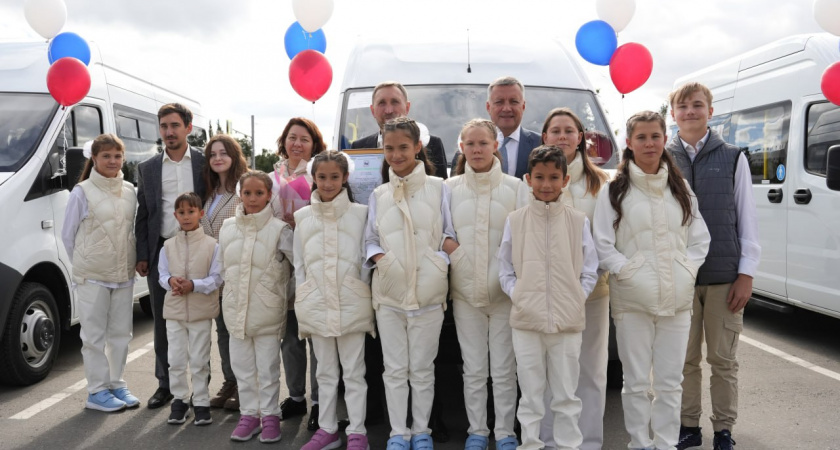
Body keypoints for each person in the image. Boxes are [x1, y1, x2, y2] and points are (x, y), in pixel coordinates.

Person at [593, 111, 711, 450]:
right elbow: (602, 243)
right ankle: (639, 443)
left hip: (676, 299)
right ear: (628, 143)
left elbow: (699, 238)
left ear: (664, 139)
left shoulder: (679, 187)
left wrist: (686, 269)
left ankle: (665, 443)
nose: (649, 143)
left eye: (655, 136)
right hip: (632, 300)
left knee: (671, 382)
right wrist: (628, 272)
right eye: (641, 137)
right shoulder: (614, 189)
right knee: (635, 381)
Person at [667, 83, 760, 450]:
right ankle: (688, 426)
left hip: (724, 278)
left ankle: (724, 429)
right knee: (684, 359)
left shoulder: (734, 156)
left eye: (698, 105)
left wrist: (746, 274)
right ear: (672, 113)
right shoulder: (662, 156)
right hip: (679, 277)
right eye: (683, 106)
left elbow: (747, 219)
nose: (690, 111)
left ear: (710, 110)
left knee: (723, 360)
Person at [365, 117, 458, 450]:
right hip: (389, 294)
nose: (396, 154)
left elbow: (449, 232)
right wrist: (383, 262)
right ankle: (397, 433)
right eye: (389, 148)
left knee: (421, 368)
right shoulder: (379, 193)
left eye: (403, 147)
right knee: (394, 369)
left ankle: (421, 432)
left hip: (429, 293)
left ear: (418, 147)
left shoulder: (438, 188)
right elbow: (371, 238)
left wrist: (439, 263)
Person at [498, 145, 599, 450]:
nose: (546, 184)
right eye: (539, 177)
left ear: (565, 180)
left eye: (554, 177)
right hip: (527, 322)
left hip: (567, 323)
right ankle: (530, 444)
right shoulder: (515, 220)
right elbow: (504, 269)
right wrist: (521, 297)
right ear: (528, 179)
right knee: (530, 395)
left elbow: (590, 270)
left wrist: (574, 299)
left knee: (566, 395)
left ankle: (568, 446)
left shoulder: (578, 220)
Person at [446, 119, 529, 450]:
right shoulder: (449, 188)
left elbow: (525, 237)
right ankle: (477, 431)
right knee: (474, 369)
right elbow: (442, 233)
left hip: (505, 295)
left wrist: (507, 276)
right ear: (462, 148)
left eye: (483, 143)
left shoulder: (515, 187)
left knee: (506, 370)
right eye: (470, 144)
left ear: (496, 145)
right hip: (466, 294)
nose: (477, 149)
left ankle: (506, 432)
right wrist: (460, 258)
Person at [537, 108, 610, 450]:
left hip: (591, 294)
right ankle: (552, 442)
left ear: (581, 138)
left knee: (590, 372)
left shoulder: (602, 183)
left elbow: (610, 238)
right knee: (553, 373)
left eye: (570, 130)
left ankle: (590, 442)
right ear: (545, 137)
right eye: (556, 131)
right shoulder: (536, 181)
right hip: (548, 296)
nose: (563, 136)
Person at [295, 151, 374, 450]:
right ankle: (327, 429)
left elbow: (365, 261)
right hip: (316, 303)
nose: (328, 183)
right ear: (313, 178)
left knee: (355, 373)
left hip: (352, 303)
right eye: (322, 177)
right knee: (324, 372)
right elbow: (300, 267)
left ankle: (357, 432)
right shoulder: (302, 218)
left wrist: (360, 294)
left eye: (334, 177)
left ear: (345, 178)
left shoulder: (361, 213)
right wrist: (304, 298)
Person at [135, 103, 206, 409]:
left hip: (203, 249)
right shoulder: (147, 168)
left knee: (203, 321)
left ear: (188, 128)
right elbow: (144, 214)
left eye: (175, 125)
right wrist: (142, 254)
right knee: (164, 322)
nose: (169, 132)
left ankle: (203, 388)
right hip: (163, 250)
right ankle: (165, 385)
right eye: (164, 126)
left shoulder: (204, 163)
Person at [61, 134, 140, 412]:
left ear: (123, 158)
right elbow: (68, 235)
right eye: (106, 156)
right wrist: (85, 264)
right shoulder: (81, 191)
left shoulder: (130, 190)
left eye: (117, 156)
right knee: (93, 337)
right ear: (94, 158)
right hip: (92, 275)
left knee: (121, 334)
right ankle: (96, 391)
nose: (112, 161)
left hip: (123, 274)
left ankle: (117, 384)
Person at [219, 171, 293, 443]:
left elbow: (299, 266)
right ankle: (249, 415)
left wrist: (279, 292)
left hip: (268, 313)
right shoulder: (227, 228)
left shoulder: (280, 229)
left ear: (269, 195)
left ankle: (271, 416)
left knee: (268, 368)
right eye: (247, 192)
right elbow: (221, 267)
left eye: (259, 193)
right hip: (235, 311)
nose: (252, 198)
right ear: (240, 194)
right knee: (243, 369)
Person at [272, 117, 325, 429]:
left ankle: (320, 401)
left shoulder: (319, 174)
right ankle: (295, 396)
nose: (297, 144)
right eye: (292, 137)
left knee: (316, 335)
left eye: (304, 139)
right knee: (289, 337)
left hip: (313, 259)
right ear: (284, 140)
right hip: (280, 262)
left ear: (313, 144)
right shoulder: (272, 176)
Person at [158, 192, 223, 426]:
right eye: (182, 213)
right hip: (174, 312)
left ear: (200, 214)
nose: (186, 217)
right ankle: (179, 400)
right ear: (175, 215)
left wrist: (193, 285)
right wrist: (171, 282)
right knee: (175, 359)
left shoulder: (212, 245)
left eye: (191, 211)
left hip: (200, 312)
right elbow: (162, 275)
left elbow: (217, 278)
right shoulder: (167, 245)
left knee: (199, 359)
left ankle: (202, 401)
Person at [200, 135, 249, 412]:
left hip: (237, 270)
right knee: (222, 332)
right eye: (212, 154)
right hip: (213, 273)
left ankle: (245, 386)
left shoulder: (245, 188)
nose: (217, 158)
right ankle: (230, 381)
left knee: (239, 331)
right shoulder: (208, 192)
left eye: (223, 153)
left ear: (234, 155)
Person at [351, 81, 448, 179]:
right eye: (382, 103)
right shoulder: (358, 148)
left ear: (407, 107)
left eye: (395, 102)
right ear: (372, 110)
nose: (389, 110)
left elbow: (439, 189)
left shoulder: (432, 144)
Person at [451, 76, 541, 179]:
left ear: (523, 106)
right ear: (488, 107)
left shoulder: (539, 144)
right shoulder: (466, 150)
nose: (507, 108)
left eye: (514, 102)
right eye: (499, 102)